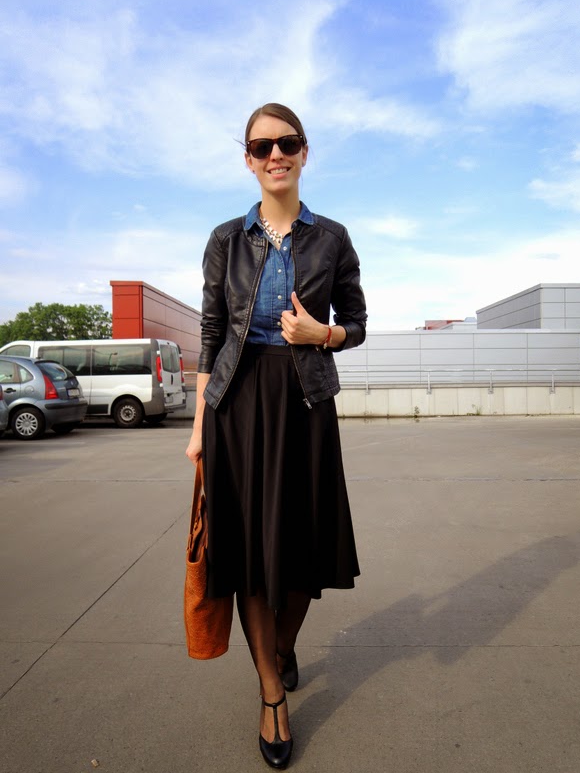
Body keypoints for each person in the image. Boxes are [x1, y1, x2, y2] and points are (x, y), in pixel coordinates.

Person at [185, 103, 367, 769]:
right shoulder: (225, 240)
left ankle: (283, 647)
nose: (275, 155)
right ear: (248, 159)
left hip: (306, 400)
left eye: (286, 143)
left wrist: (325, 333)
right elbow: (212, 335)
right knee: (250, 555)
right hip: (238, 406)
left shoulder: (332, 238)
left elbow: (357, 322)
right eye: (261, 146)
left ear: (304, 152)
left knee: (303, 548)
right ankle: (271, 692)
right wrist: (200, 428)